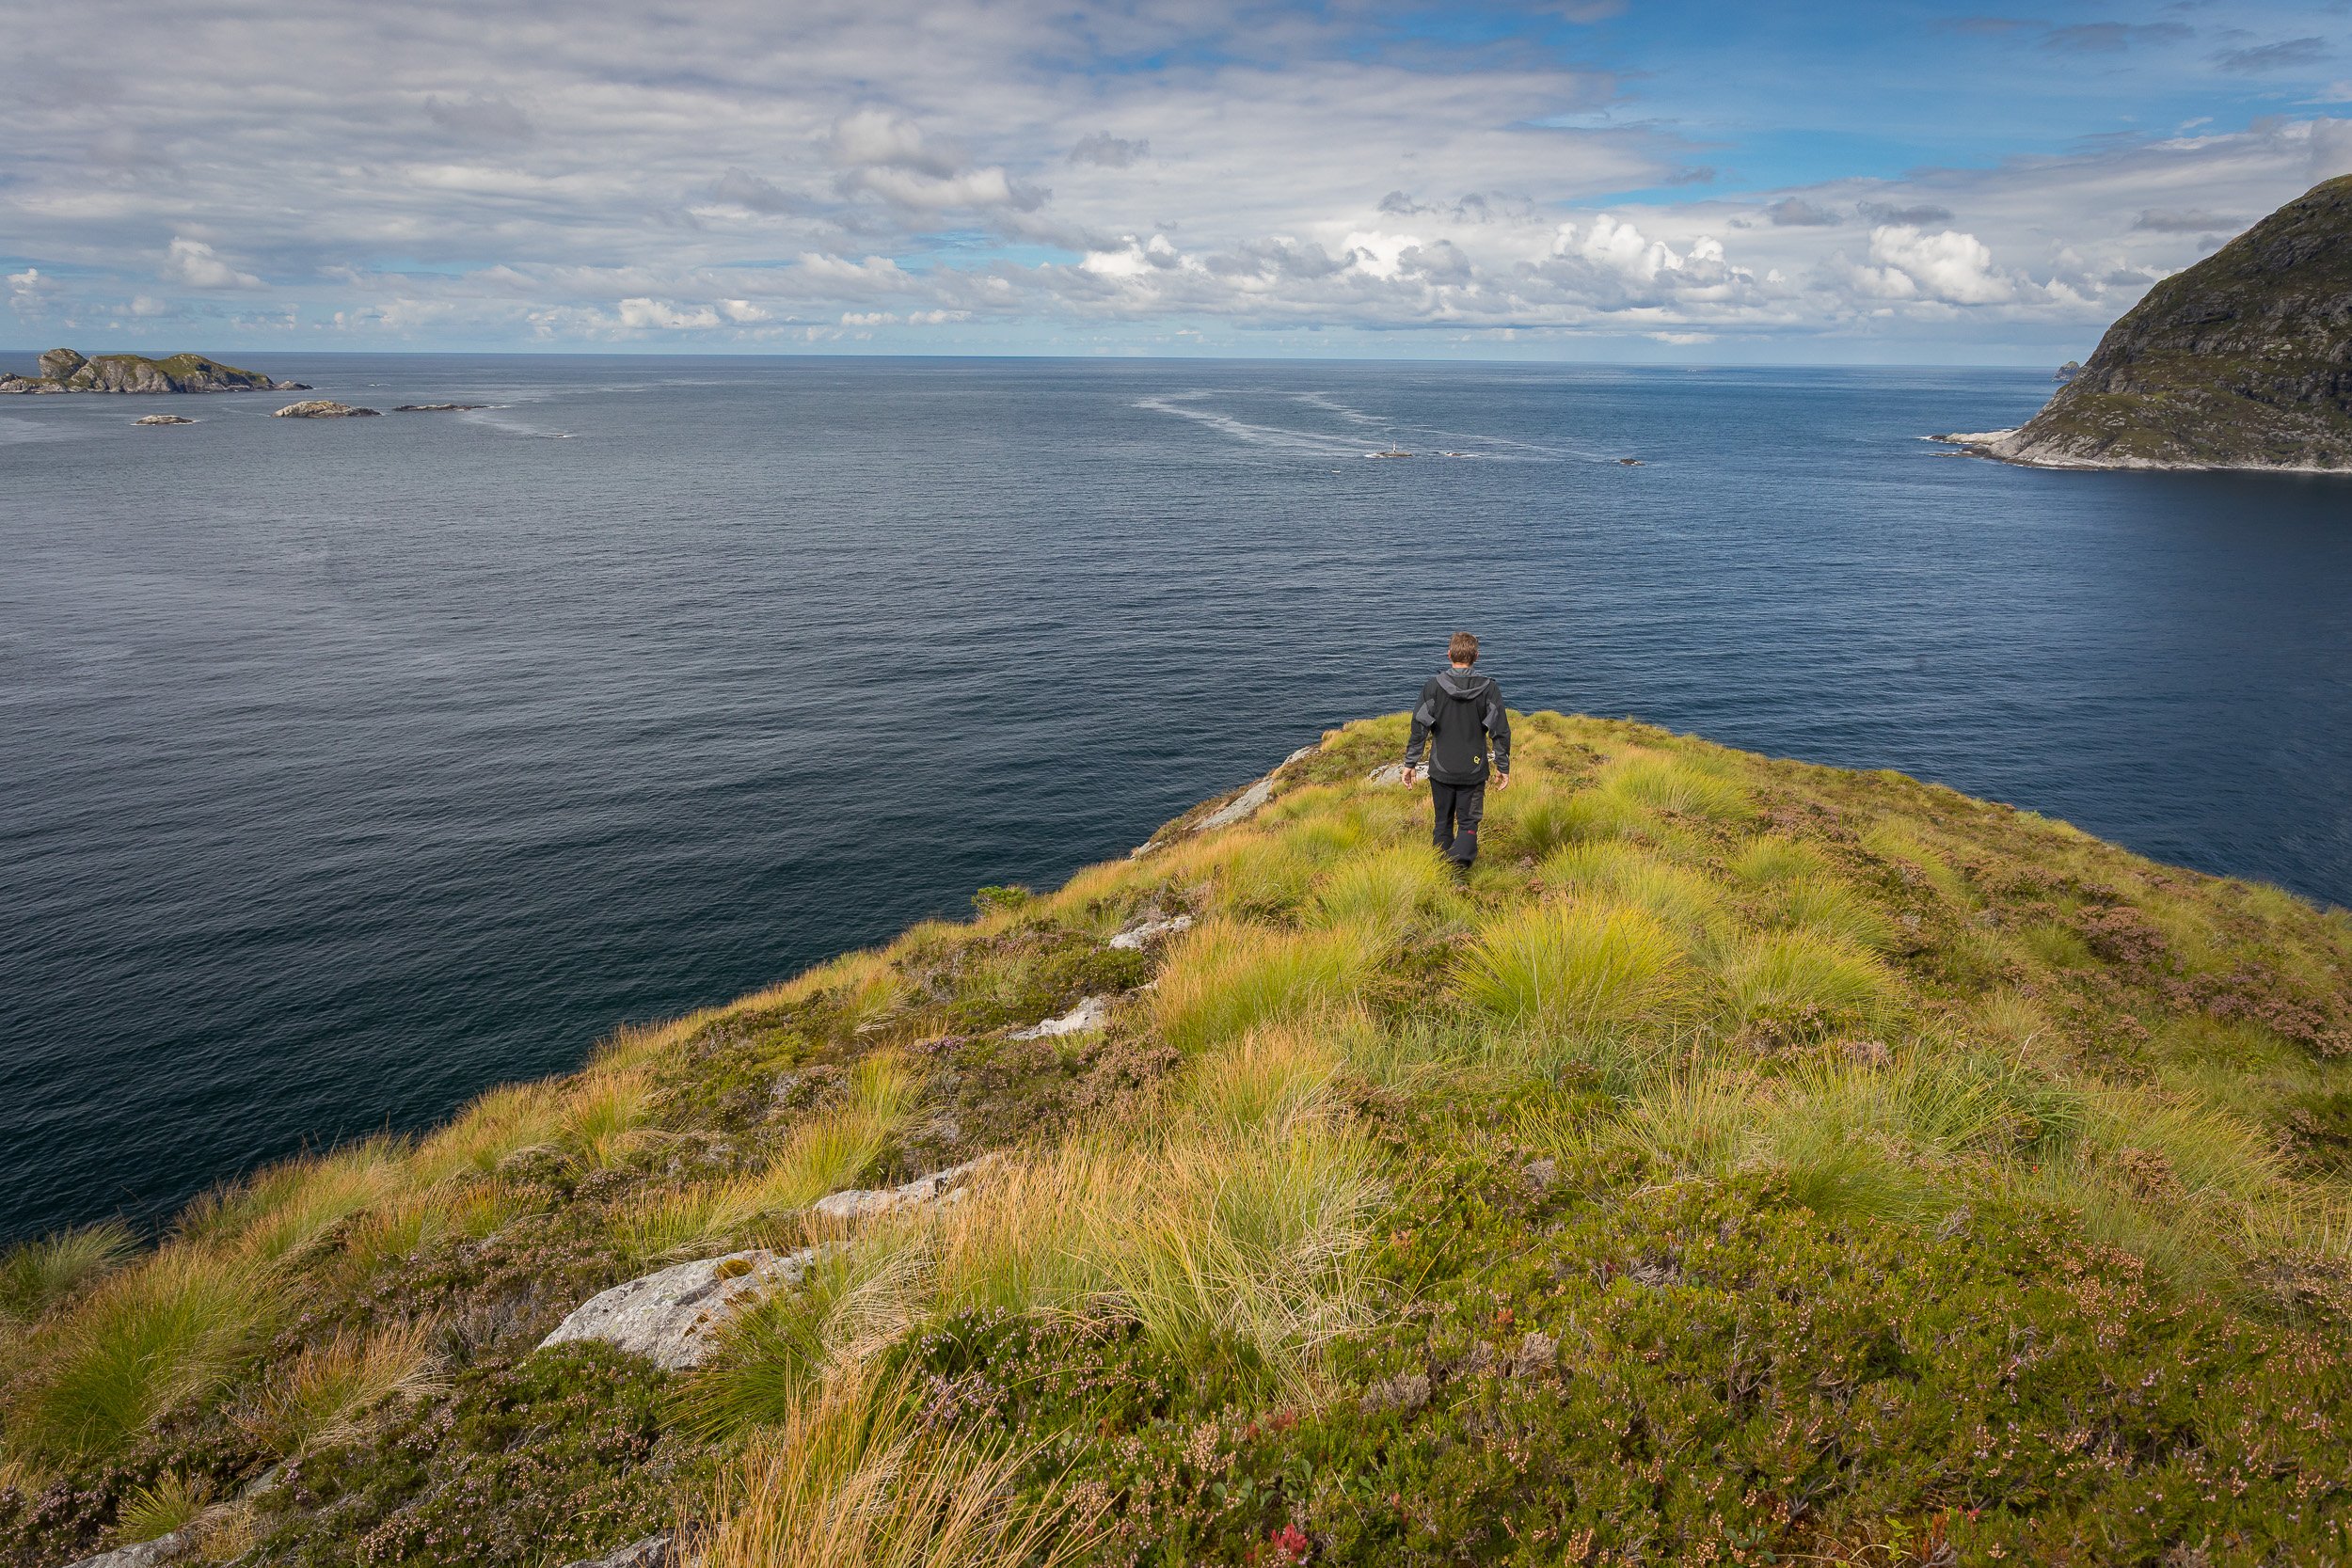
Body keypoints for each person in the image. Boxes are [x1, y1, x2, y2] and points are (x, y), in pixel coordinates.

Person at [1402, 631, 1511, 869]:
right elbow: (1500, 731)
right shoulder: (1489, 689)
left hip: (1441, 768)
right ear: (1476, 656)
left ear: (1449, 654)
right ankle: (1459, 867)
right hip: (1473, 769)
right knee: (1469, 823)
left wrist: (1410, 764)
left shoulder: (1433, 687)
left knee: (1442, 822)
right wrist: (1503, 767)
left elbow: (1419, 728)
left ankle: (1442, 869)